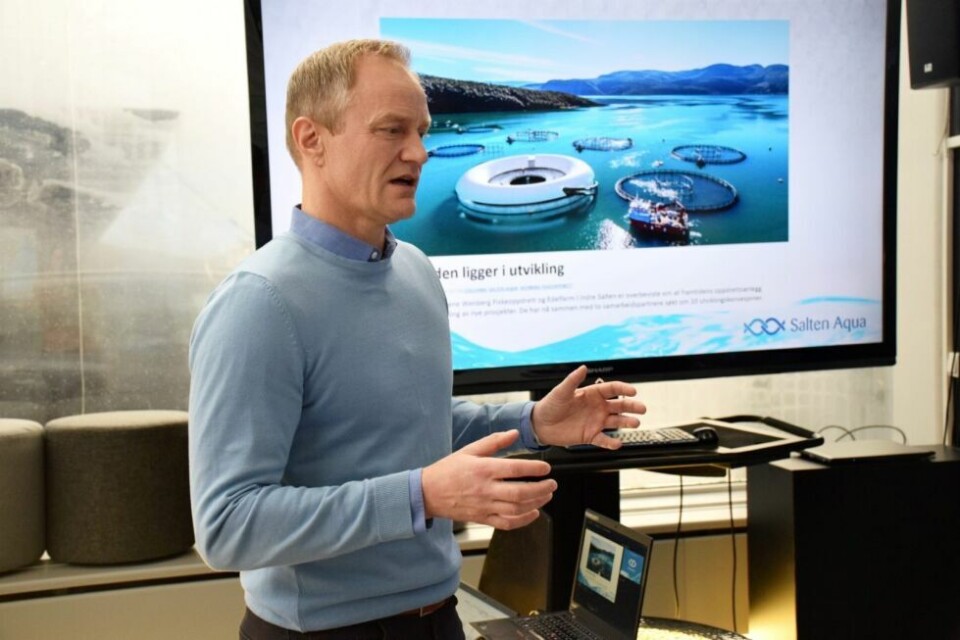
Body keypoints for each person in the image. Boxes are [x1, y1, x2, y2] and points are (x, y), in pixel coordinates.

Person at [188, 38, 647, 640]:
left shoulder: (415, 273)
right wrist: (422, 495)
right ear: (311, 139)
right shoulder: (259, 302)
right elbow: (227, 527)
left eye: (422, 130)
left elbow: (407, 425)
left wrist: (533, 421)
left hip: (440, 618)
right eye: (391, 130)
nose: (420, 152)